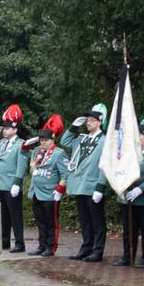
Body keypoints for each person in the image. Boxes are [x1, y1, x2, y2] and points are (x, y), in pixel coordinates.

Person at [109, 112, 144, 268]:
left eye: (137, 136)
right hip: (129, 197)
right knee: (129, 230)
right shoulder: (128, 152)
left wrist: (141, 189)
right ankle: (128, 256)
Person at [61, 103, 107, 261]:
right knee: (85, 221)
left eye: (92, 120)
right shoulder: (81, 139)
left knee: (97, 222)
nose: (88, 123)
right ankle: (86, 248)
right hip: (79, 185)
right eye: (87, 120)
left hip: (93, 186)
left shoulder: (105, 141)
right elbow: (65, 142)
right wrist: (74, 126)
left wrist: (100, 187)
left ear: (100, 122)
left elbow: (106, 165)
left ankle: (97, 251)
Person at [26, 114, 68, 256]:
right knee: (40, 221)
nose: (43, 143)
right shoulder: (38, 152)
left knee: (51, 222)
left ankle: (51, 247)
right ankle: (41, 245)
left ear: (52, 140)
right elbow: (25, 153)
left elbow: (65, 174)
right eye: (41, 140)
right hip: (37, 192)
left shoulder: (58, 154)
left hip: (50, 193)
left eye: (46, 140)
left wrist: (60, 189)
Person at [0, 104, 29, 253]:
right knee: (3, 216)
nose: (4, 130)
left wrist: (17, 182)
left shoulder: (21, 145)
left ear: (14, 129)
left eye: (7, 128)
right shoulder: (0, 144)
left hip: (11, 184)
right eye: (4, 128)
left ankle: (20, 243)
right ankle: (5, 241)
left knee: (15, 216)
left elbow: (21, 165)